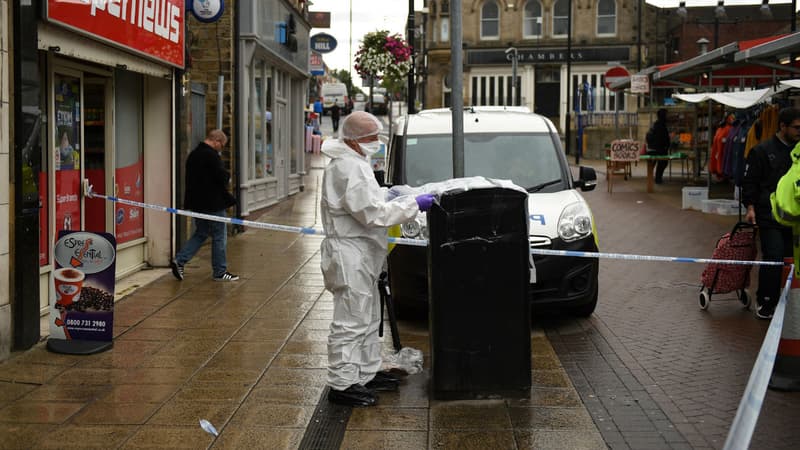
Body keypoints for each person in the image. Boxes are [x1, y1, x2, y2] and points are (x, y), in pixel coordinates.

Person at [319, 111, 435, 407]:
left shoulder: (355, 163)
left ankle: (365, 371)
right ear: (355, 140)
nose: (377, 143)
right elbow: (372, 214)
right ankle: (343, 384)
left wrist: (389, 194)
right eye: (372, 137)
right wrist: (411, 205)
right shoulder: (347, 168)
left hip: (362, 253)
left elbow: (366, 200)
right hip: (350, 253)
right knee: (351, 320)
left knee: (368, 318)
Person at [742, 107, 800, 319]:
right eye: (796, 127)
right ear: (782, 126)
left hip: (795, 218)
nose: (799, 131)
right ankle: (766, 301)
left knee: (792, 260)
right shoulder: (762, 151)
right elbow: (750, 182)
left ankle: (792, 302)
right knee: (774, 256)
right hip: (770, 215)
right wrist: (750, 207)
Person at [171, 129, 239, 282]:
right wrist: (227, 177)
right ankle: (220, 272)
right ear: (216, 141)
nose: (221, 148)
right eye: (222, 145)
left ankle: (180, 260)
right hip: (213, 204)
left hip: (197, 204)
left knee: (201, 233)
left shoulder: (193, 154)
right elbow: (222, 177)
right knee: (219, 236)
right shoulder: (211, 156)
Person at [646, 108, 671, 184]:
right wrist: (667, 146)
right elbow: (664, 138)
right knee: (663, 162)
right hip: (658, 149)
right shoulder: (661, 125)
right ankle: (657, 179)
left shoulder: (655, 124)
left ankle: (654, 178)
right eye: (667, 115)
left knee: (657, 163)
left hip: (652, 148)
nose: (668, 116)